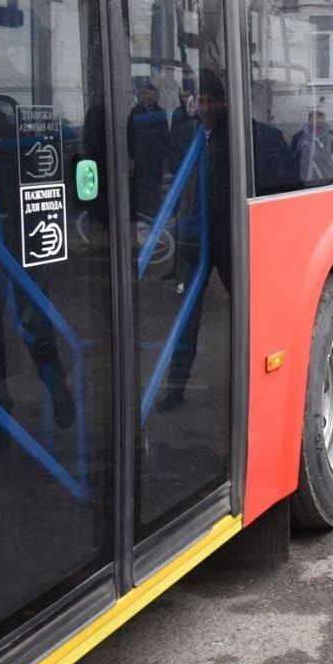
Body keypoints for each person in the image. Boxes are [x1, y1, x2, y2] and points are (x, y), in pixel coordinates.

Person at [158, 67, 232, 412]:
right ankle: (176, 385)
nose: (204, 107)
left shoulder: (232, 138)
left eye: (210, 101)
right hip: (193, 236)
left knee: (248, 308)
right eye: (199, 100)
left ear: (221, 104)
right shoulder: (187, 134)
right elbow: (175, 172)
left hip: (226, 238)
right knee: (187, 315)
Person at [127, 78, 170, 217]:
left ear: (155, 95)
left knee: (154, 190)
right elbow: (130, 134)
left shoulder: (160, 112)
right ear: (143, 95)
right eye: (146, 93)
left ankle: (153, 213)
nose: (149, 96)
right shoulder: (136, 112)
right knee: (142, 187)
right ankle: (142, 212)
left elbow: (165, 136)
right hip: (141, 158)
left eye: (151, 93)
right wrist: (133, 155)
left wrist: (162, 156)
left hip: (155, 160)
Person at [290, 106, 333, 186]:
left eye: (321, 118)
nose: (319, 121)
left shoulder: (332, 136)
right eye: (315, 118)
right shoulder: (299, 136)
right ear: (309, 120)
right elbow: (295, 156)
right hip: (306, 180)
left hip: (327, 180)